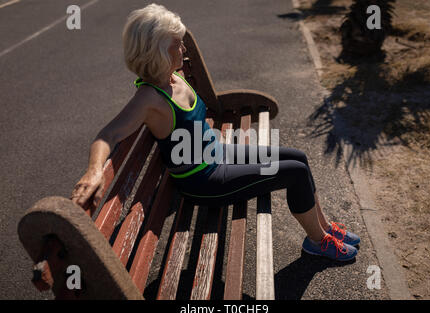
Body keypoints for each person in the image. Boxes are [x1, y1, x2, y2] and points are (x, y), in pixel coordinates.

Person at [70, 3, 360, 261]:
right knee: (293, 173)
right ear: (156, 50)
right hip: (206, 180)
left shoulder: (174, 76)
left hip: (217, 152)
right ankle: (318, 242)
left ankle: (323, 227)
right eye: (177, 45)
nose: (184, 50)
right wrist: (94, 171)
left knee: (298, 158)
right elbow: (107, 134)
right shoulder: (149, 99)